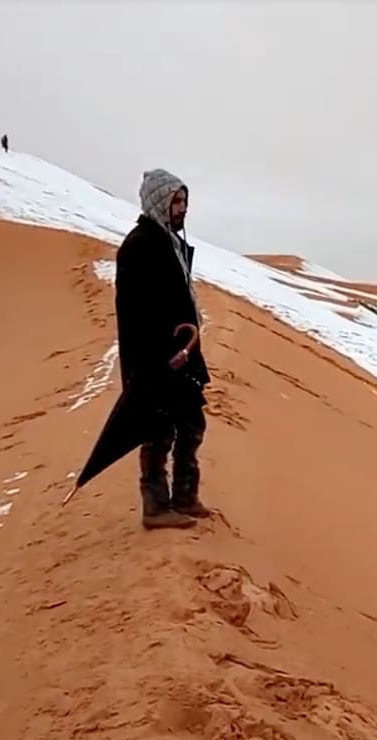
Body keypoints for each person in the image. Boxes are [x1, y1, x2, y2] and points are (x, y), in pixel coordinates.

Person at [114, 168, 212, 529]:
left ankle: (186, 496)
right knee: (158, 430)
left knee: (191, 423)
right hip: (156, 358)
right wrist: (159, 355)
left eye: (185, 200)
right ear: (160, 202)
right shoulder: (141, 244)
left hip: (182, 354)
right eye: (177, 201)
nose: (183, 208)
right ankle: (155, 506)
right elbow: (136, 310)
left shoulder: (168, 241)